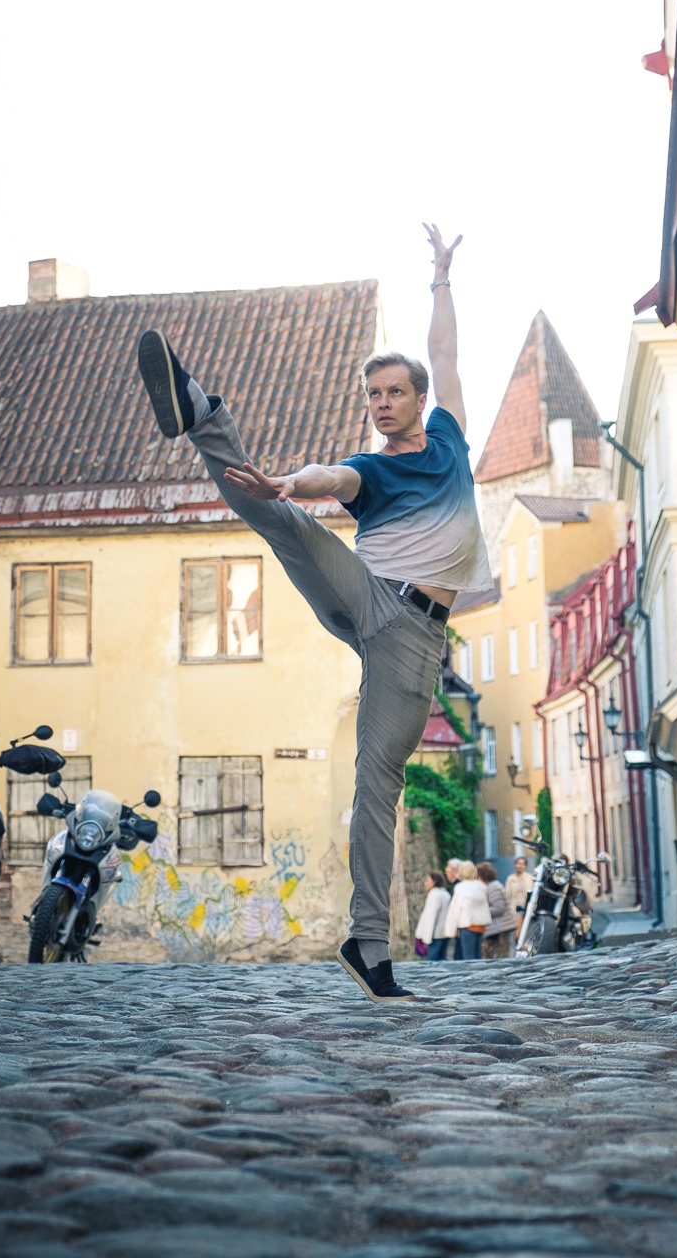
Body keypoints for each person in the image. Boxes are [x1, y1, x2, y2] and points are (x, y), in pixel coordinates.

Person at [136, 224, 491, 1004]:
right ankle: (202, 413)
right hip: (368, 595)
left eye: (394, 392)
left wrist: (439, 276)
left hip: (413, 643)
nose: (383, 404)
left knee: (378, 784)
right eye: (373, 396)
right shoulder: (370, 469)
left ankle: (367, 946)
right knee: (285, 519)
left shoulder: (448, 439)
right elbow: (331, 475)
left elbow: (445, 352)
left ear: (419, 400)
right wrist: (291, 483)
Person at [444, 859, 491, 959]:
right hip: (481, 925)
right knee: (478, 954)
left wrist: (450, 930)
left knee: (468, 955)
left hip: (468, 924)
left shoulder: (460, 887)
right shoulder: (480, 886)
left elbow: (455, 909)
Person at [478, 862, 514, 959]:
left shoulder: (492, 887)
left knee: (500, 957)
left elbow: (499, 908)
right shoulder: (493, 886)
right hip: (499, 928)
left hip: (499, 929)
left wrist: (482, 911)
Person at [414, 870, 451, 959]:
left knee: (432, 962)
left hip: (435, 936)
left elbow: (431, 918)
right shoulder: (446, 894)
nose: (425, 883)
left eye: (428, 880)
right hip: (444, 934)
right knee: (442, 960)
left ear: (434, 882)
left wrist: (426, 939)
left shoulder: (434, 895)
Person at [505, 855, 534, 940]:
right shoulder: (510, 879)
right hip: (516, 908)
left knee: (526, 933)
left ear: (525, 866)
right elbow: (507, 895)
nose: (520, 866)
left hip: (527, 907)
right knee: (517, 934)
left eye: (522, 864)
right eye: (519, 864)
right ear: (515, 865)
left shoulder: (529, 878)